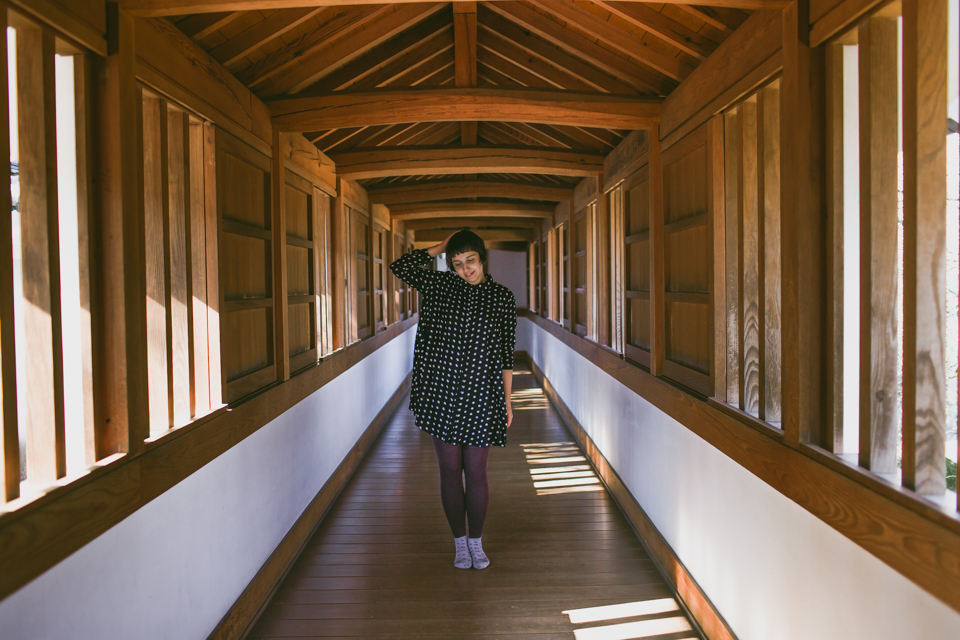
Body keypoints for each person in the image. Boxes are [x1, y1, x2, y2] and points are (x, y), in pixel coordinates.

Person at [390, 230, 517, 570]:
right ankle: (459, 544)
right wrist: (440, 247)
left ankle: (476, 542)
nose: (465, 269)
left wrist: (507, 401)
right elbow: (400, 265)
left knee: (476, 472)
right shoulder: (440, 286)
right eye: (457, 263)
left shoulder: (501, 298)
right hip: (440, 392)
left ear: (482, 258)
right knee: (449, 470)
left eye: (470, 261)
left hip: (482, 394)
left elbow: (506, 355)